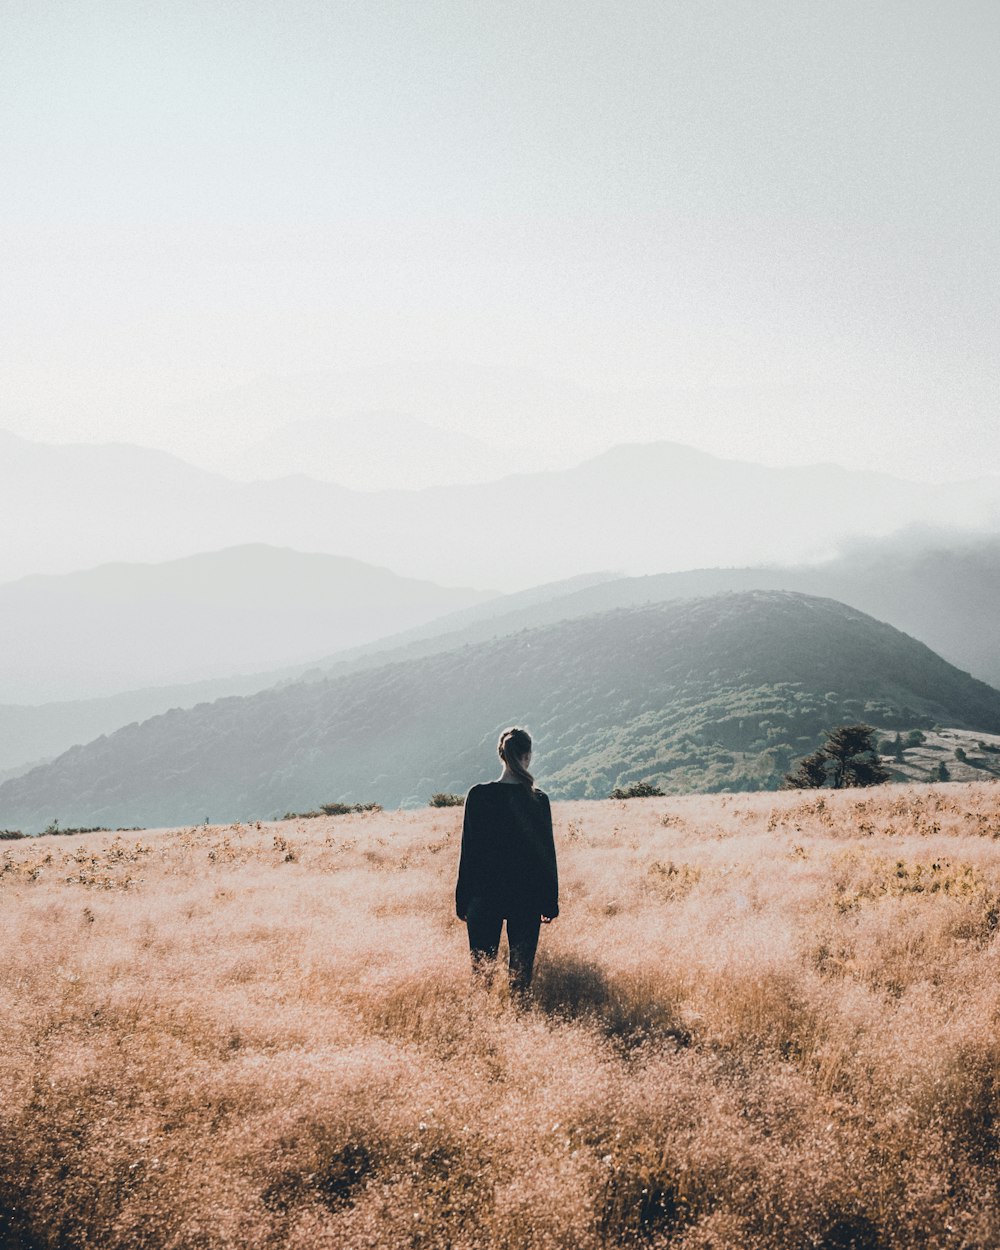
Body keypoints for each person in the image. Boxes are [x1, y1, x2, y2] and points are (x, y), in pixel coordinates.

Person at [455, 726, 559, 997]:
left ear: (502, 756)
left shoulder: (478, 795)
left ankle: (482, 1029)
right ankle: (517, 1028)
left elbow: (469, 852)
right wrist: (550, 902)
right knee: (520, 979)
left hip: (484, 895)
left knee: (481, 976)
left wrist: (462, 899)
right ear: (528, 756)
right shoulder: (537, 799)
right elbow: (546, 855)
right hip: (526, 897)